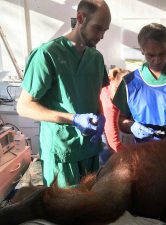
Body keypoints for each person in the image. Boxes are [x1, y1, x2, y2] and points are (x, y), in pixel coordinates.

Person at [16, 0, 111, 188]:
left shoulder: (96, 58)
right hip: (62, 152)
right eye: (97, 28)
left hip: (90, 150)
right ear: (81, 18)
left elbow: (94, 94)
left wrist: (101, 118)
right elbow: (24, 107)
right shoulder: (47, 55)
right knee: (64, 212)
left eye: (105, 31)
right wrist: (73, 119)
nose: (101, 36)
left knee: (89, 208)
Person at [99, 67, 129, 163]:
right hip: (97, 129)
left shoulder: (109, 87)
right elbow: (113, 142)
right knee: (108, 157)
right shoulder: (109, 104)